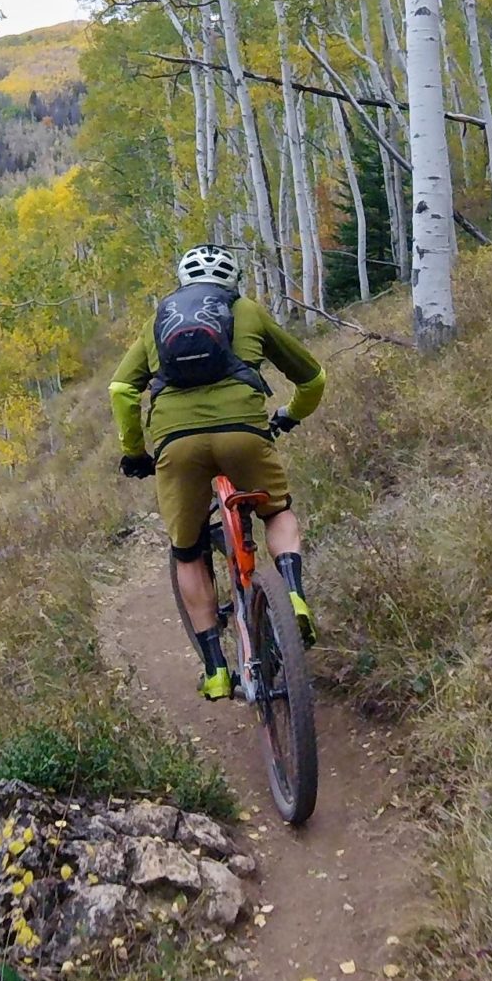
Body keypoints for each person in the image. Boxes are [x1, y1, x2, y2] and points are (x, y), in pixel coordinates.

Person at [111, 244, 324, 700]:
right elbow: (313, 377)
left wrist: (135, 451)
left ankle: (216, 670)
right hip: (243, 432)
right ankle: (292, 594)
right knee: (275, 511)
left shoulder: (156, 321)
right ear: (233, 280)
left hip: (177, 443)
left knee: (187, 551)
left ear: (182, 282)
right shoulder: (247, 309)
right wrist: (289, 414)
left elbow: (120, 389)